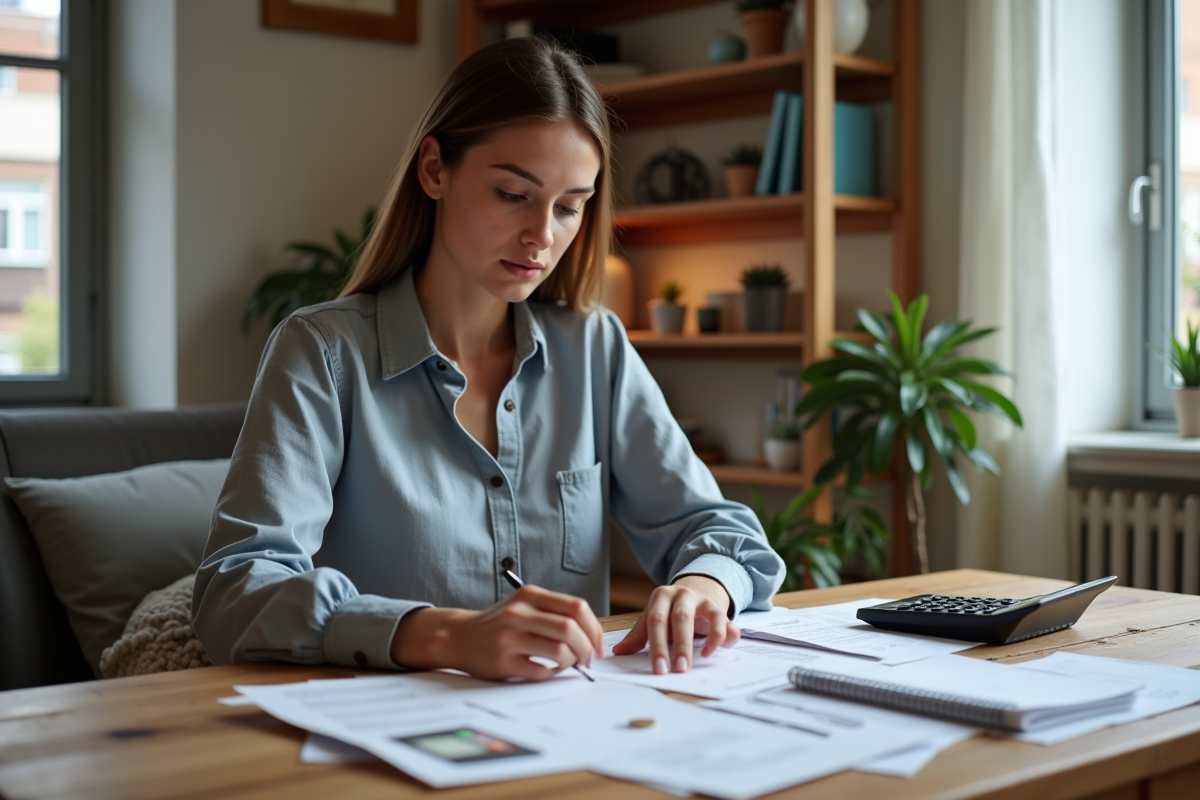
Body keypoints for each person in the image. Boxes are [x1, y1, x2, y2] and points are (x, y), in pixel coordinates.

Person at [192, 36, 785, 681]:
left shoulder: (595, 347)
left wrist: (702, 587)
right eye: (512, 194)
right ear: (434, 170)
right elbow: (234, 593)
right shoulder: (323, 353)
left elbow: (723, 535)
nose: (542, 236)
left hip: (572, 733)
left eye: (568, 208)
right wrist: (442, 634)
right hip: (386, 740)